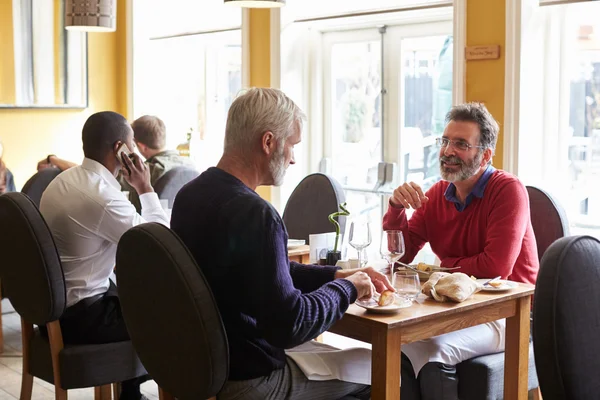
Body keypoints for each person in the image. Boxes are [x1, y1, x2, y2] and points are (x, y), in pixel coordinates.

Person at [171, 88, 395, 400]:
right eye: (292, 145)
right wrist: (349, 289)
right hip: (249, 379)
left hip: (203, 366)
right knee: (388, 374)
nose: (293, 158)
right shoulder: (257, 214)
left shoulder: (189, 195)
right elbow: (290, 325)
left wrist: (331, 276)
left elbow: (258, 271)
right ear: (268, 142)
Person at [383, 102, 539, 400]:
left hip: (512, 315)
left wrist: (443, 268)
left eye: (461, 144)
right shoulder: (436, 194)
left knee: (433, 352)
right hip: (457, 309)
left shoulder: (508, 190)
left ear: (486, 155)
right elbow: (402, 256)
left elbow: (496, 266)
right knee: (397, 346)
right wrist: (395, 208)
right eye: (445, 141)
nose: (448, 151)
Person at [40, 111, 169, 400]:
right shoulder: (102, 197)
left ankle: (130, 392)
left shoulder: (63, 181)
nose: (135, 150)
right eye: (132, 143)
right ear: (119, 148)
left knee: (134, 293)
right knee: (175, 313)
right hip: (84, 318)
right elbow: (159, 244)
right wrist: (145, 187)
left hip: (55, 308)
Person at [37, 115, 196, 209]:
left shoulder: (146, 170)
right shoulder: (189, 164)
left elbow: (92, 173)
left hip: (142, 233)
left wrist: (54, 159)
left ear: (140, 146)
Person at [120, 115, 196, 211]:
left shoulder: (146, 170)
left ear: (142, 146)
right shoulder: (189, 163)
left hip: (147, 223)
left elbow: (111, 179)